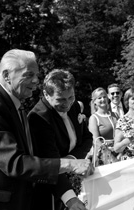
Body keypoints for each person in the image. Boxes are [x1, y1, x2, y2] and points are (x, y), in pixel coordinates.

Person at [0, 49, 93, 210]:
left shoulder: (15, 103)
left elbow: (86, 138)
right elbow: (15, 163)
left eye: (36, 74)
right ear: (7, 75)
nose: (36, 80)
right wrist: (70, 164)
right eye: (29, 74)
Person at [28, 69, 94, 210]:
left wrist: (71, 160)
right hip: (51, 188)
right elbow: (51, 162)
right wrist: (70, 199)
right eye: (60, 99)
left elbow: (87, 139)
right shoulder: (38, 118)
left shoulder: (74, 106)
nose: (67, 104)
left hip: (77, 178)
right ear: (46, 94)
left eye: (71, 97)